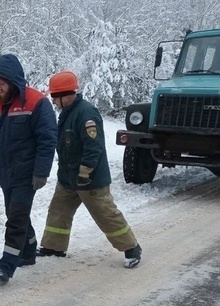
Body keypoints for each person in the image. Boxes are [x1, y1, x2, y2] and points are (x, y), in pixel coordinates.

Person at [38, 70, 142, 268]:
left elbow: (93, 146)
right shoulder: (67, 113)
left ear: (66, 95)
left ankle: (131, 248)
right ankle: (54, 247)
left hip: (89, 178)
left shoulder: (86, 113)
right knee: (58, 211)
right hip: (68, 177)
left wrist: (85, 172)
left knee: (105, 213)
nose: (52, 101)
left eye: (54, 97)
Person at [0, 54, 57, 285]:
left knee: (16, 218)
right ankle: (28, 253)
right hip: (4, 173)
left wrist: (41, 172)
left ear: (14, 81)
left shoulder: (36, 103)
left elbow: (47, 140)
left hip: (27, 174)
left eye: (2, 84)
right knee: (15, 213)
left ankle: (6, 266)